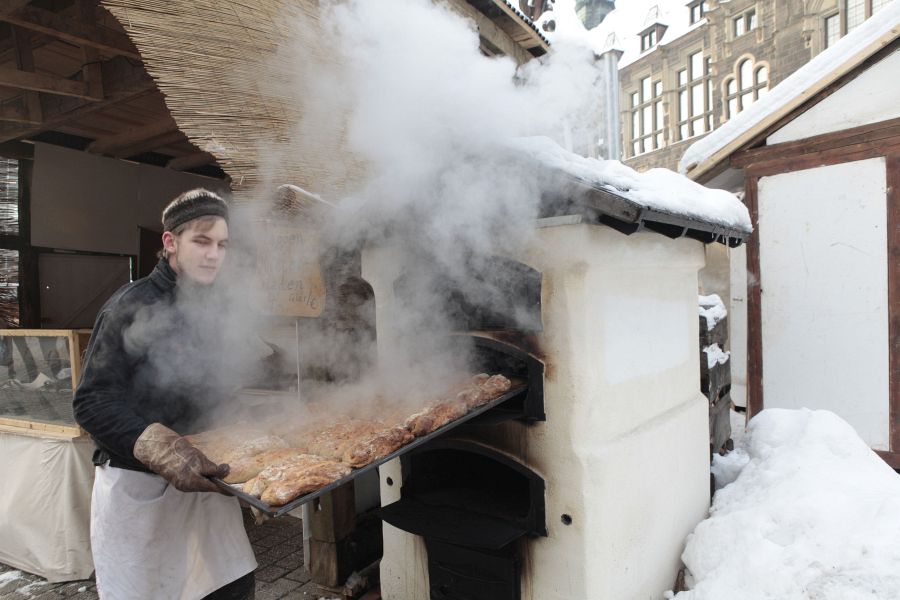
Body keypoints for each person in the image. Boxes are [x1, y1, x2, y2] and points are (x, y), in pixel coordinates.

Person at [73, 188, 257, 599]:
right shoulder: (128, 306)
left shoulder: (217, 308)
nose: (214, 255)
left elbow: (211, 390)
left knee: (231, 588)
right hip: (141, 495)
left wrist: (244, 429)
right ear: (170, 242)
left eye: (222, 245)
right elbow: (90, 402)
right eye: (202, 241)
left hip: (206, 488)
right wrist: (156, 445)